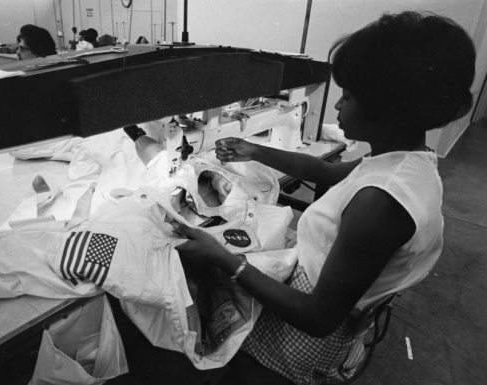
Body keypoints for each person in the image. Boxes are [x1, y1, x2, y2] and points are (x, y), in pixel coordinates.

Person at [171, 11, 476, 385]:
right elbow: (327, 173)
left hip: (300, 340)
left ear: (385, 109)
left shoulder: (381, 205)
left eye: (346, 97)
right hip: (327, 298)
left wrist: (225, 259)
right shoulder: (406, 161)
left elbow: (317, 317)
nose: (335, 105)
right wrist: (255, 151)